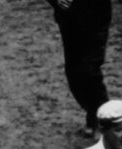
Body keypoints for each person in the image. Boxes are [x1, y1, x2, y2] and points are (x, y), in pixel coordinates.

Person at [46, 0, 112, 137]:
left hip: (96, 14)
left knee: (89, 68)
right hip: (69, 18)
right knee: (74, 72)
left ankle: (106, 119)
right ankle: (93, 112)